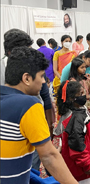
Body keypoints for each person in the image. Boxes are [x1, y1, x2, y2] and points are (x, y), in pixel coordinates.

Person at [0, 46, 77, 184]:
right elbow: (49, 156)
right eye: (41, 76)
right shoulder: (29, 104)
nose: (43, 81)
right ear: (27, 78)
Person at [1, 29, 55, 170]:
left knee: (33, 159)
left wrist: (49, 124)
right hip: (10, 123)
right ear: (10, 51)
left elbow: (45, 97)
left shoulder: (34, 66)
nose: (28, 52)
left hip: (34, 120)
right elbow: (50, 156)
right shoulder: (3, 67)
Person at [56, 80, 90, 183]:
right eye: (81, 94)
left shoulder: (79, 109)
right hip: (84, 162)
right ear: (72, 98)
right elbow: (77, 145)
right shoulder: (75, 118)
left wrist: (88, 114)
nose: (84, 96)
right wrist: (86, 164)